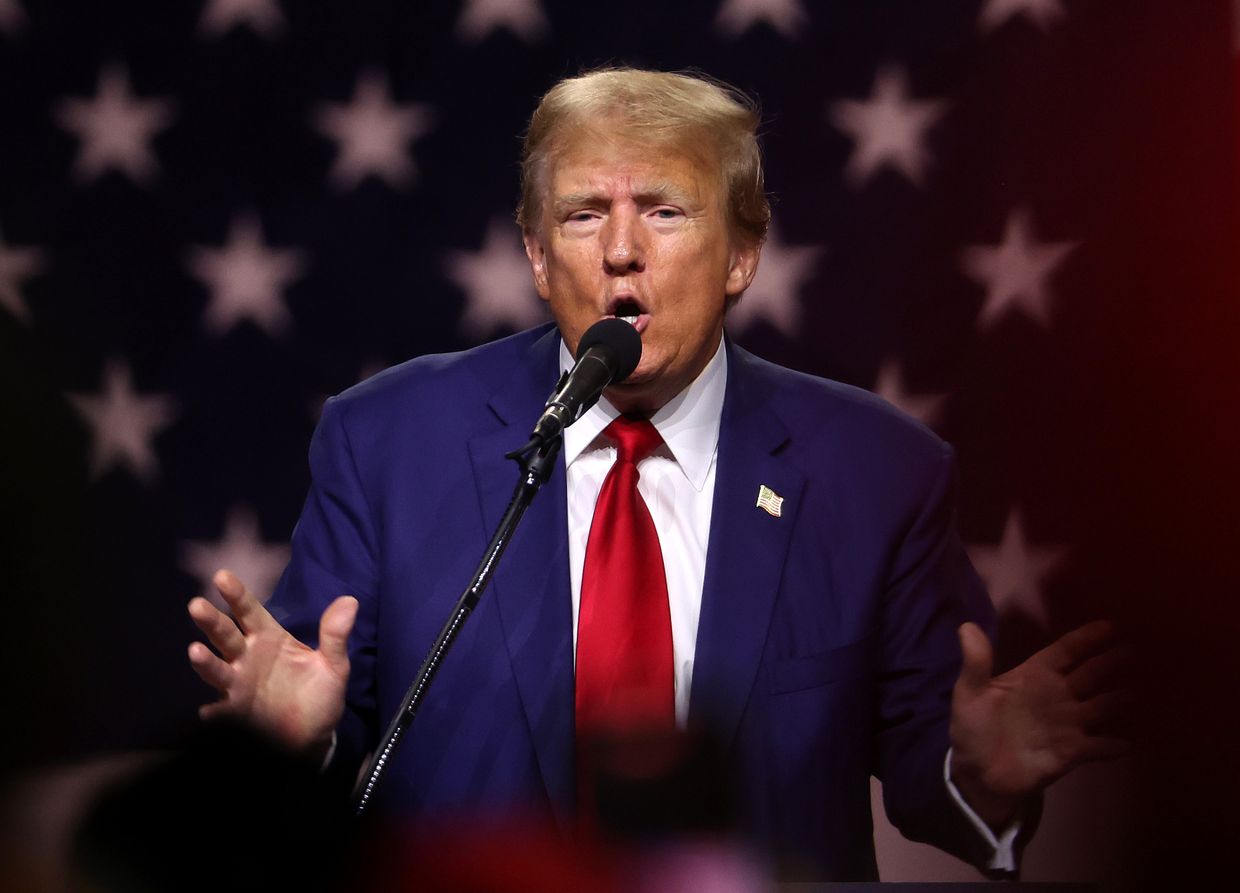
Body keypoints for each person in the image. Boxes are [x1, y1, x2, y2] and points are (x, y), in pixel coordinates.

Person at [186, 68, 1126, 880]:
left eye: (666, 211)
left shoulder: (877, 470)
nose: (621, 249)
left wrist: (980, 778)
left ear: (743, 254)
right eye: (583, 213)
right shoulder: (389, 440)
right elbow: (308, 757)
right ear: (535, 252)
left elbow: (936, 773)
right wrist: (290, 744)